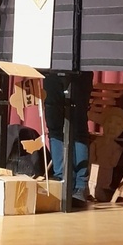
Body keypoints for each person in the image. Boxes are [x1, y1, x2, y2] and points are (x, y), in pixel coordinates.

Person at [43, 71, 93, 208]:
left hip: (78, 71)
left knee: (77, 128)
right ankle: (63, 181)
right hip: (52, 72)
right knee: (56, 128)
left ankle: (79, 186)